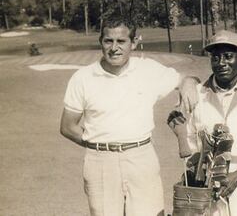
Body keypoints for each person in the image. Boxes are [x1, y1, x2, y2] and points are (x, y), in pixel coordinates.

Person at [59, 16, 199, 216]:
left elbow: (186, 78)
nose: (114, 47)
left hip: (141, 157)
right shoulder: (82, 78)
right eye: (108, 41)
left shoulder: (148, 69)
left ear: (133, 43)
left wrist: (189, 83)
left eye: (121, 41)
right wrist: (100, 143)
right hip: (100, 161)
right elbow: (67, 126)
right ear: (101, 42)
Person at [168, 30, 237, 215]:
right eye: (215, 57)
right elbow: (190, 140)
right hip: (206, 191)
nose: (221, 63)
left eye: (228, 56)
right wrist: (198, 173)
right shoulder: (197, 93)